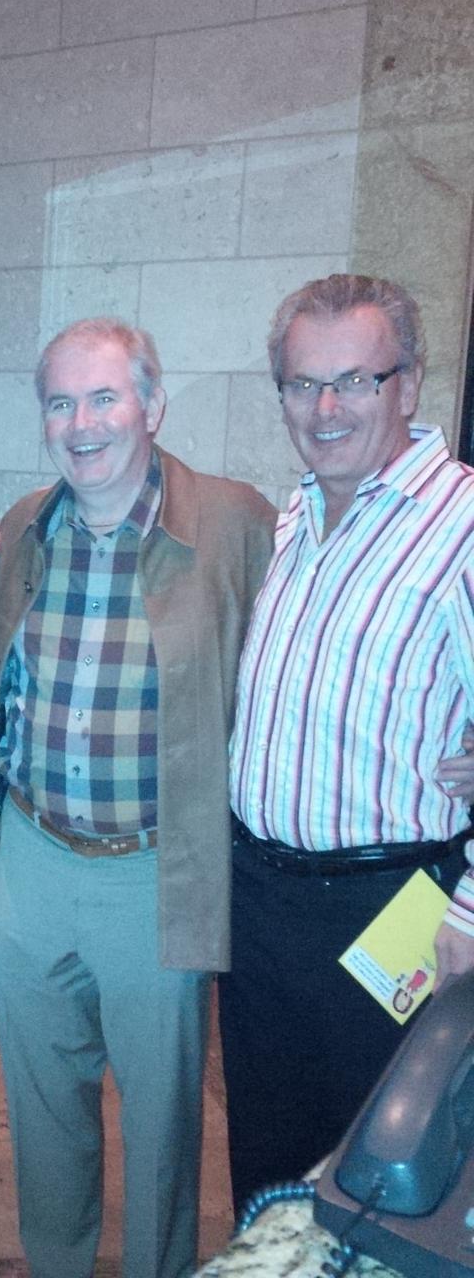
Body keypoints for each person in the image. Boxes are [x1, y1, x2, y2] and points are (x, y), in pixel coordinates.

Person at [0, 318, 275, 1278]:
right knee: (41, 1113)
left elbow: (310, 650)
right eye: (60, 403)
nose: (82, 423)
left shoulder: (234, 522)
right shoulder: (26, 525)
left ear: (153, 404)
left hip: (155, 872)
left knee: (162, 1127)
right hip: (30, 862)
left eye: (104, 397)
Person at [222, 274, 474, 1214]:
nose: (325, 409)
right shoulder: (297, 518)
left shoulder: (461, 526)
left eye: (356, 381)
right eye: (303, 384)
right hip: (262, 906)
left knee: (372, 1182)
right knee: (269, 1166)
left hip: (394, 912)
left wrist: (470, 914)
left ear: (409, 384)